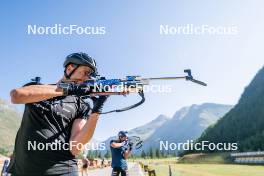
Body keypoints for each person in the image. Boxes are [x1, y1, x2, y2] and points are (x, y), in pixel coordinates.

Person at [8, 52, 108, 175]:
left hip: (63, 171)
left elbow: (75, 148)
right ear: (70, 68)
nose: (87, 78)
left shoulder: (81, 105)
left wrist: (96, 111)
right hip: (22, 171)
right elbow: (16, 96)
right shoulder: (37, 87)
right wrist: (67, 89)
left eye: (91, 74)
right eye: (86, 72)